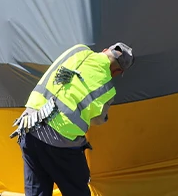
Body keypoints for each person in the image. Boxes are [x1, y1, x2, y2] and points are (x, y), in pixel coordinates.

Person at [11, 42, 134, 196]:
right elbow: (98, 119)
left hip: (29, 127)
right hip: (60, 143)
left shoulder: (78, 49)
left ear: (104, 50)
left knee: (36, 191)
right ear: (116, 71)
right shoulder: (107, 90)